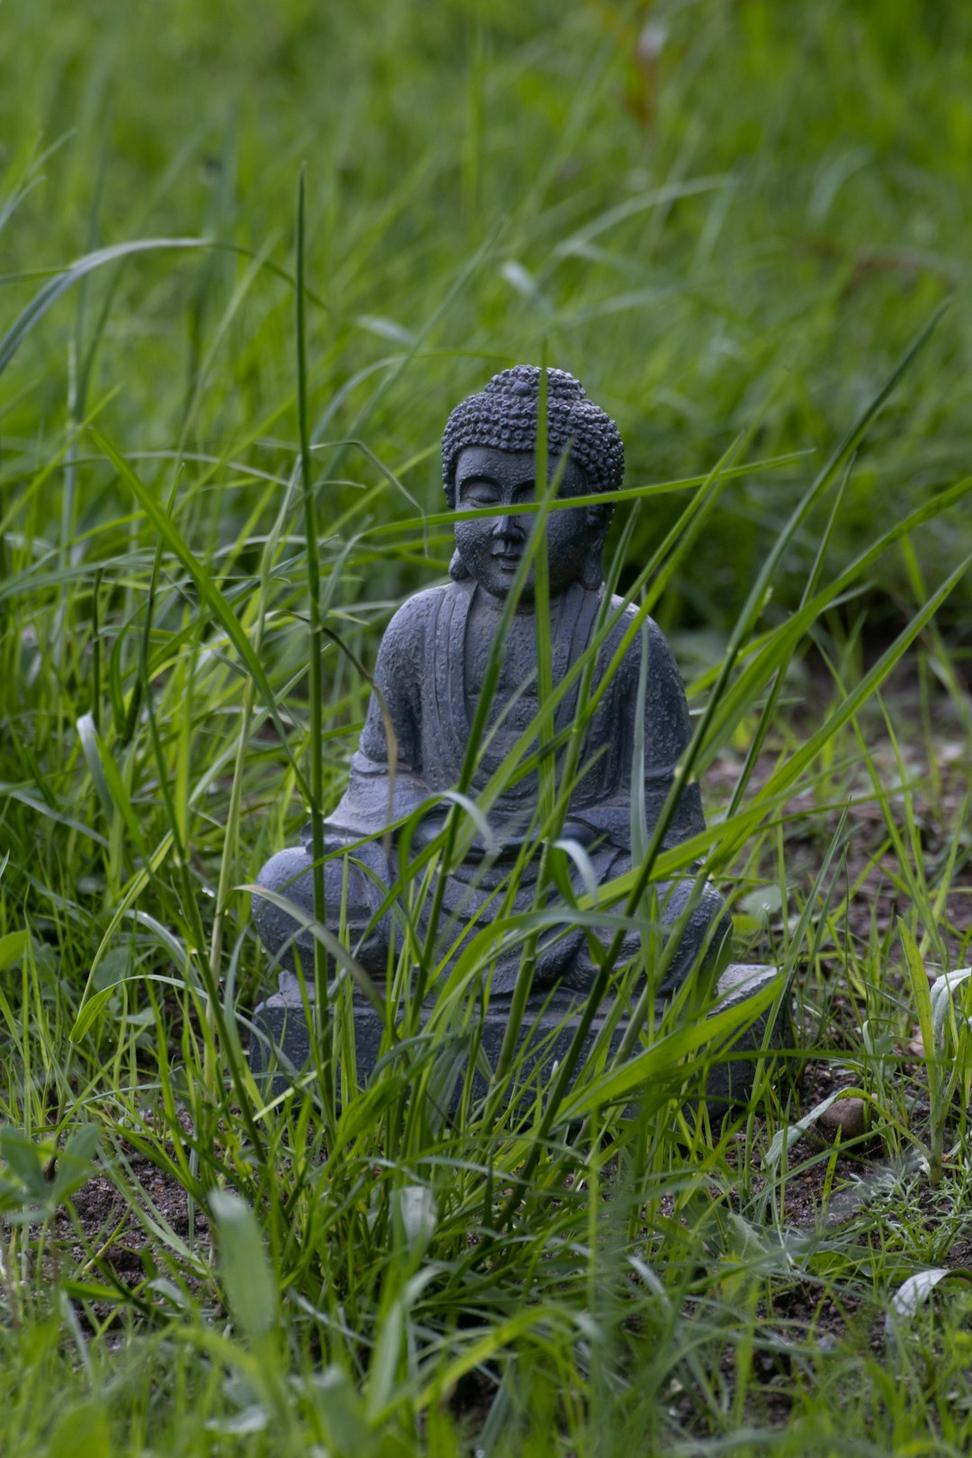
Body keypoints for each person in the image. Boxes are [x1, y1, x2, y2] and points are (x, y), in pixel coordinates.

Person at [253, 366, 729, 1005]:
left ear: (593, 520)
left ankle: (538, 973)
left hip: (570, 882)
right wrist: (428, 825)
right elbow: (377, 770)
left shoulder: (624, 638)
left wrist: (575, 840)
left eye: (540, 500)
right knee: (286, 887)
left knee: (688, 917)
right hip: (425, 875)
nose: (507, 528)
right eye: (482, 498)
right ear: (454, 504)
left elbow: (661, 797)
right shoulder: (418, 626)